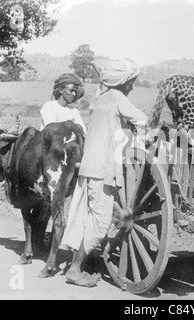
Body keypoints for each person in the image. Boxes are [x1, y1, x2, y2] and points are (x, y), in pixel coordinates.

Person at [61, 58, 148, 287]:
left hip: (90, 166)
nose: (132, 86)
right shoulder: (118, 97)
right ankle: (75, 269)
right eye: (131, 82)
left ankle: (78, 263)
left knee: (88, 216)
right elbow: (142, 118)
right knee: (101, 222)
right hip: (102, 169)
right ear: (123, 81)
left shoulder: (100, 99)